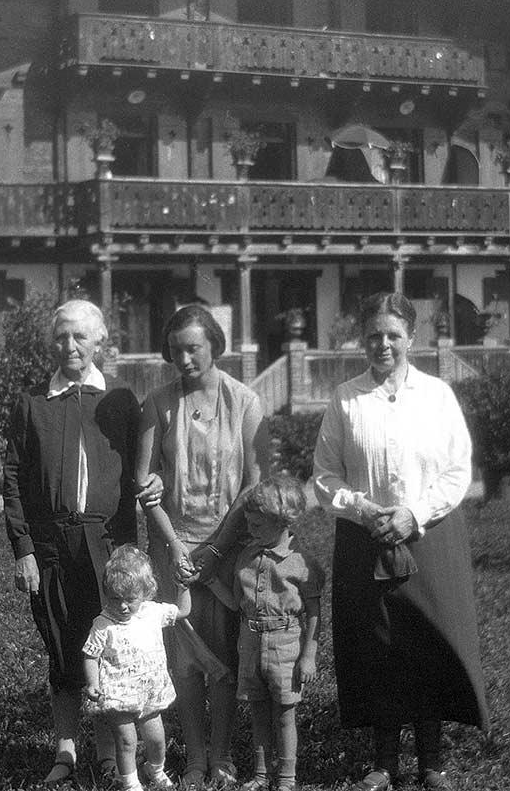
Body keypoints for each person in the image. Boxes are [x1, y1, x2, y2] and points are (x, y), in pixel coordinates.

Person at [310, 292, 487, 791]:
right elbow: (324, 475)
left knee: (429, 641)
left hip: (429, 534)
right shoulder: (346, 398)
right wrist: (362, 508)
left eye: (393, 335)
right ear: (361, 339)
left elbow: (458, 470)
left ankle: (431, 762)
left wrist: (414, 514)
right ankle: (384, 762)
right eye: (373, 335)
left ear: (412, 337)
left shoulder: (437, 395)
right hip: (365, 537)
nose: (383, 344)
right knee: (378, 643)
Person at [3, 298, 146, 786]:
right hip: (51, 545)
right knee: (62, 645)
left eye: (80, 336)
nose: (70, 346)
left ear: (99, 341)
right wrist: (23, 548)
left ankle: (106, 752)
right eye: (61, 336)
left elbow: (139, 470)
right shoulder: (33, 403)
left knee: (108, 643)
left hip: (107, 542)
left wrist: (131, 548)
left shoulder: (119, 401)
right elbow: (13, 477)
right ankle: (65, 751)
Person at [136, 303, 268, 788]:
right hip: (174, 552)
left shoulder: (245, 402)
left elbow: (254, 485)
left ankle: (223, 755)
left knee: (226, 658)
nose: (184, 359)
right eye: (176, 351)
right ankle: (194, 758)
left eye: (193, 348)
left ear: (215, 345)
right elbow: (143, 482)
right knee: (186, 661)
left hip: (228, 549)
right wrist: (175, 547)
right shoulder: (158, 403)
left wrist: (216, 551)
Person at [218, 475, 323, 791]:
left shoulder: (301, 562)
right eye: (249, 523)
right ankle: (261, 775)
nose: (250, 530)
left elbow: (314, 612)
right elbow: (236, 602)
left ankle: (287, 778)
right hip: (250, 644)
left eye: (257, 525)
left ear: (283, 521)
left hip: (285, 644)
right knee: (259, 712)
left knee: (284, 715)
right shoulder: (247, 556)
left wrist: (309, 656)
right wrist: (208, 582)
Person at [83, 545, 193, 791]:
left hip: (150, 692)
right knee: (126, 740)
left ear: (145, 592)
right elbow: (90, 655)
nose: (123, 606)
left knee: (157, 739)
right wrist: (92, 683)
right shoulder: (103, 624)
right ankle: (130, 783)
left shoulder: (152, 612)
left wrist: (184, 588)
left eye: (130, 599)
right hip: (118, 693)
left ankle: (155, 769)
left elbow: (183, 611)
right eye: (115, 599)